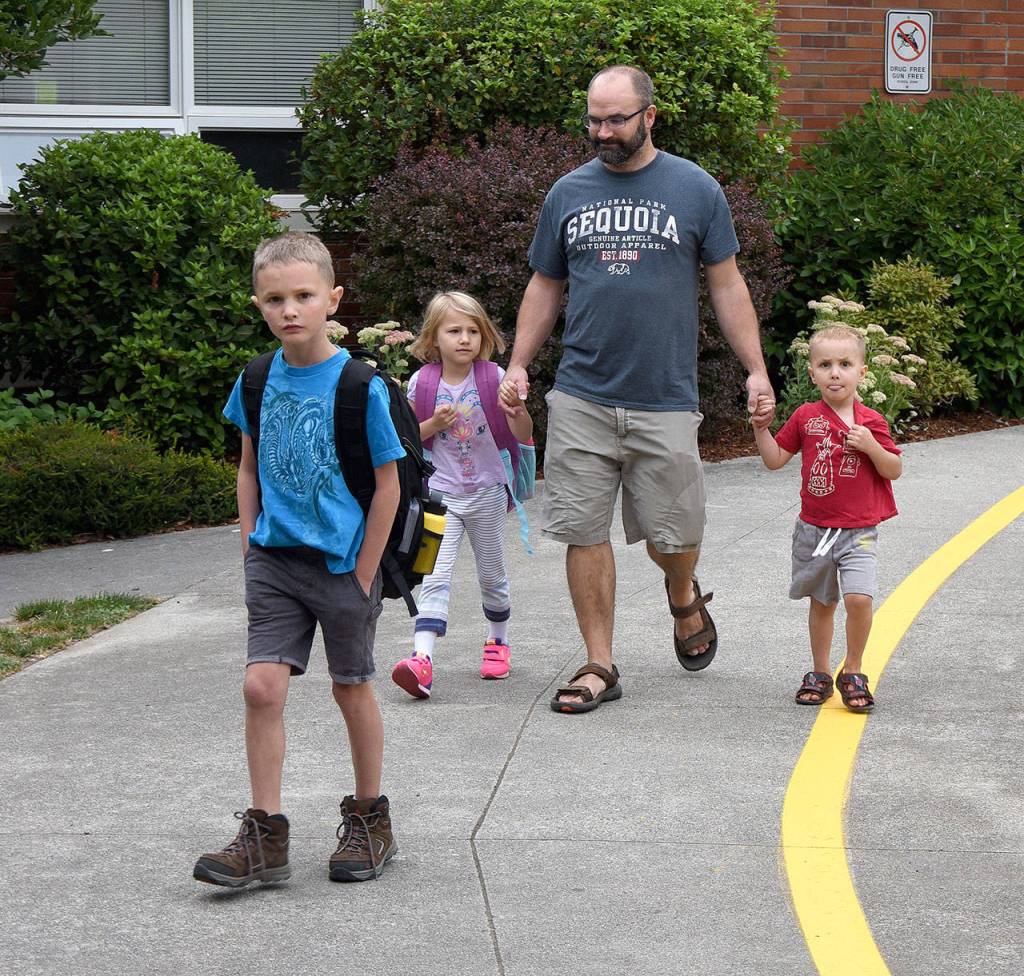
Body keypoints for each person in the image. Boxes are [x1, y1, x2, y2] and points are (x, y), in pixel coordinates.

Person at [500, 65, 774, 713]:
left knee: (674, 535)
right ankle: (600, 662)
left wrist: (756, 368)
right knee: (582, 527)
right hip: (581, 393)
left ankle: (682, 593)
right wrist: (518, 363)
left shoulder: (695, 188)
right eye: (593, 119)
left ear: (650, 116)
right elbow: (545, 284)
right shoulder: (567, 193)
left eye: (616, 119)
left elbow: (727, 285)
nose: (602, 132)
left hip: (664, 395)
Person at [193, 232, 405, 888]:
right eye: (276, 298)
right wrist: (249, 540)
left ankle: (371, 818)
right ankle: (265, 835)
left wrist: (365, 570)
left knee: (350, 685)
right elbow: (249, 465)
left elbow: (389, 484)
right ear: (259, 304)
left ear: (332, 299)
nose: (290, 309)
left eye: (304, 296)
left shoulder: (359, 386)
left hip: (342, 563)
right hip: (275, 562)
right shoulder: (256, 378)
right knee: (261, 687)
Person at [751, 324, 902, 712]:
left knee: (858, 598)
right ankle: (819, 673)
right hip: (814, 530)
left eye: (845, 364)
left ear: (862, 372)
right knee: (821, 602)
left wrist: (870, 446)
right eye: (826, 364)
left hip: (859, 531)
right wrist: (760, 429)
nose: (835, 372)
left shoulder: (871, 422)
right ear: (812, 372)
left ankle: (853, 670)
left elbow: (893, 469)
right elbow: (774, 460)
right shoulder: (805, 416)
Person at [391, 291, 533, 699]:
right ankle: (421, 659)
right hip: (442, 495)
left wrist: (517, 412)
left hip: (488, 491)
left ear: (483, 335)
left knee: (491, 574)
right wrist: (433, 422)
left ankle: (497, 641)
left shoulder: (494, 378)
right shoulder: (423, 382)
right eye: (454, 330)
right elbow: (408, 440)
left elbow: (522, 437)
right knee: (434, 576)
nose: (465, 338)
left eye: (473, 330)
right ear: (434, 338)